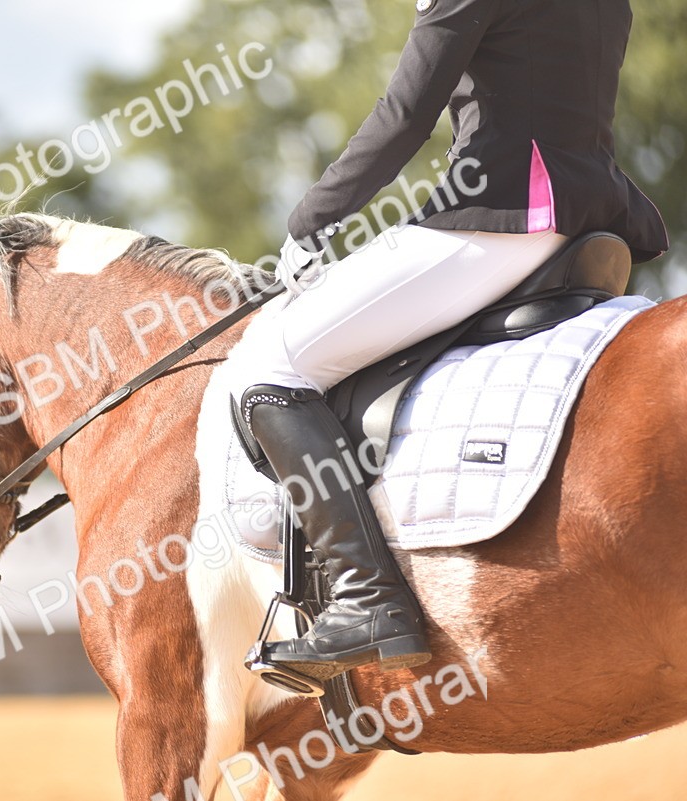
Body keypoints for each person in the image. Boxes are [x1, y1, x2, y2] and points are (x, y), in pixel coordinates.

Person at [241, 0, 668, 683]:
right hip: (590, 214)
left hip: (506, 214)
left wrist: (312, 219)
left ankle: (365, 598)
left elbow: (405, 112)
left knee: (272, 361)